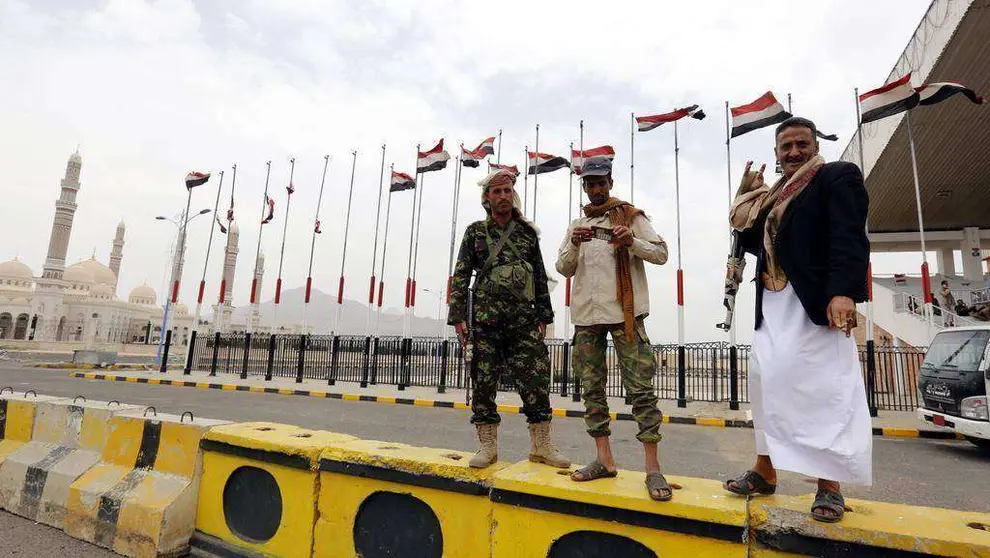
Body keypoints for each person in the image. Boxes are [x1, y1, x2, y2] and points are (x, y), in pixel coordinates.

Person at [723, 116, 872, 523]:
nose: (793, 152)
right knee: (765, 384)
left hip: (815, 302)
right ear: (776, 153)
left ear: (814, 145)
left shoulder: (835, 177)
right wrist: (745, 198)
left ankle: (830, 486)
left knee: (823, 389)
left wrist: (844, 291)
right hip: (772, 302)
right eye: (786, 146)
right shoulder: (771, 197)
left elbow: (850, 235)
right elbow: (753, 241)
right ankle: (765, 470)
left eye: (801, 144)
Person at [556, 156, 672, 501]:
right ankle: (604, 459)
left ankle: (653, 469)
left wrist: (631, 242)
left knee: (640, 390)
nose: (596, 189)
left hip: (625, 314)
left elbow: (662, 254)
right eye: (590, 184)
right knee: (591, 389)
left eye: (600, 183)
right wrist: (575, 242)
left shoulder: (631, 216)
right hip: (587, 318)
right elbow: (563, 268)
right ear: (584, 187)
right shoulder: (577, 223)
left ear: (610, 182)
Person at [447, 167, 570, 469]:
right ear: (487, 198)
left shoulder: (527, 234)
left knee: (536, 381)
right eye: (496, 192)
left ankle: (541, 446)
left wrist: (544, 315)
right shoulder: (475, 232)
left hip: (523, 322)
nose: (503, 197)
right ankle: (488, 447)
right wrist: (458, 316)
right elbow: (461, 276)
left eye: (507, 192)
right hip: (485, 322)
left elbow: (539, 276)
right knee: (484, 381)